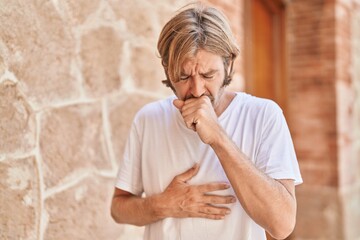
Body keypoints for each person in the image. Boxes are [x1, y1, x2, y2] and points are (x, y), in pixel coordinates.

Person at [111, 3, 302, 240]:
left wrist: (219, 138)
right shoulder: (148, 119)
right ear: (168, 71)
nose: (197, 90)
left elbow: (282, 225)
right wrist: (163, 205)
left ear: (228, 63)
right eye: (183, 77)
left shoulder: (264, 115)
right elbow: (119, 209)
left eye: (208, 75)